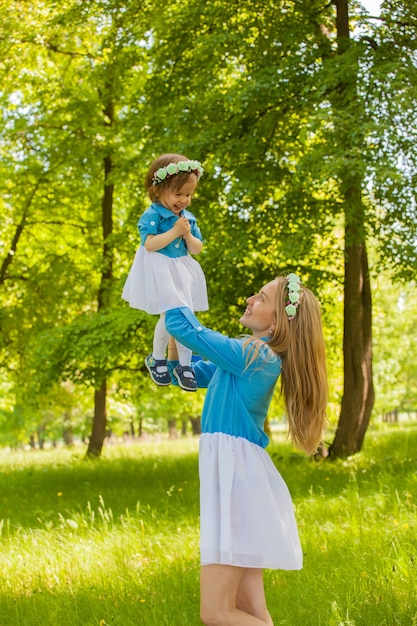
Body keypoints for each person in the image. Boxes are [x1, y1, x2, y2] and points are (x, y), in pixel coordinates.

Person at [165, 274, 328, 625]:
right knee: (250, 610)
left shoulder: (258, 356)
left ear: (278, 320)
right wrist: (171, 351)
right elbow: (191, 374)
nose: (250, 299)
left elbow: (190, 331)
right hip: (237, 479)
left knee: (216, 613)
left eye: (262, 297)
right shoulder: (247, 356)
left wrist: (170, 290)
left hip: (236, 481)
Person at [122, 153, 208, 392]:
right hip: (160, 268)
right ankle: (158, 358)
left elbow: (197, 248)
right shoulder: (153, 215)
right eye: (178, 194)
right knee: (171, 315)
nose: (183, 200)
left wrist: (187, 233)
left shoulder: (188, 218)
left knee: (185, 315)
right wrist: (174, 231)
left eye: (188, 195)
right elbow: (149, 244)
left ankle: (184, 364)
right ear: (158, 190)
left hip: (181, 269)